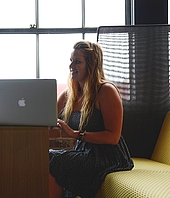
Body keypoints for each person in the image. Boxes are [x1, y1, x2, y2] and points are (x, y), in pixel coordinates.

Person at [49, 41, 134, 198]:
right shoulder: (70, 94)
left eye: (77, 62)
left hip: (108, 156)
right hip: (82, 152)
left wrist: (76, 134)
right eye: (71, 61)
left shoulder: (106, 91)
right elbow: (46, 118)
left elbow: (113, 137)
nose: (71, 66)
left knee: (51, 158)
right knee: (45, 157)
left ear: (91, 65)